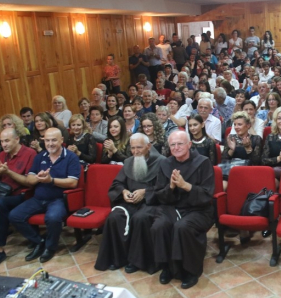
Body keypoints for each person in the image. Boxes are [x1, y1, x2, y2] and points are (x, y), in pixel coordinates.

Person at [152, 130, 215, 288]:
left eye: (180, 143)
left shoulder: (203, 162)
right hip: (172, 207)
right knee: (159, 226)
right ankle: (167, 267)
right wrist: (171, 187)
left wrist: (185, 186)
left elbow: (207, 195)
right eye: (172, 144)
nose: (176, 147)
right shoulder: (165, 164)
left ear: (189, 145)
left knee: (182, 227)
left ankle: (190, 271)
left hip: (198, 210)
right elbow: (160, 194)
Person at [94, 133, 165, 274]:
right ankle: (118, 258)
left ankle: (138, 261)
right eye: (133, 148)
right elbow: (117, 184)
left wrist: (145, 192)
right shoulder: (128, 162)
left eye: (139, 147)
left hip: (151, 203)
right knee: (114, 217)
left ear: (148, 146)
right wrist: (124, 192)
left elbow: (165, 189)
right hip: (130, 202)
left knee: (141, 218)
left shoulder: (161, 162)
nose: (135, 152)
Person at [9, 128, 81, 263]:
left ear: (61, 140)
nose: (50, 144)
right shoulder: (40, 156)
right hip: (38, 198)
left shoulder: (71, 157)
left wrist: (51, 180)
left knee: (53, 218)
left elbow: (72, 182)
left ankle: (50, 247)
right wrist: (38, 177)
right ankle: (39, 241)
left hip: (58, 199)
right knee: (14, 215)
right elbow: (29, 180)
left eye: (54, 140)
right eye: (47, 140)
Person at [0, 128, 36, 266]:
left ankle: (0, 250)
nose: (4, 144)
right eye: (2, 141)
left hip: (23, 194)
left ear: (17, 139)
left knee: (0, 204)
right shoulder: (2, 155)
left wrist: (8, 171)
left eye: (7, 141)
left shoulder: (30, 154)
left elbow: (28, 182)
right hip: (4, 192)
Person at [222, 111, 263, 188]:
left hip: (248, 172)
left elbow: (257, 162)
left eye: (239, 124)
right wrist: (231, 150)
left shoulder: (256, 139)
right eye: (235, 124)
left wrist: (248, 148)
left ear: (248, 125)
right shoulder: (230, 137)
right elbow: (224, 159)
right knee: (223, 185)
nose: (236, 127)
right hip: (230, 171)